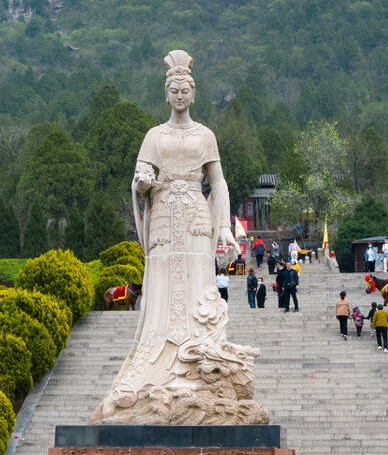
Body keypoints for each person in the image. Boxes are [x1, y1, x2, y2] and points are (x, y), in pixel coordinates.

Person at [93, 50, 265, 424]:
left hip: (195, 219)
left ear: (193, 92)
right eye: (174, 89)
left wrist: (223, 226)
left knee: (196, 288)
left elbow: (218, 184)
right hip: (164, 217)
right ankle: (157, 361)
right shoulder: (154, 136)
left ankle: (197, 357)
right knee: (161, 289)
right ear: (166, 93)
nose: (180, 95)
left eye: (185, 89)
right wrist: (141, 186)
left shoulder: (206, 136)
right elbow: (140, 179)